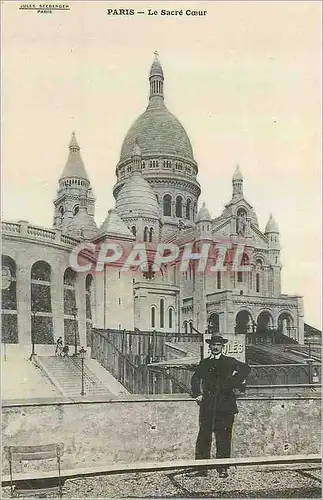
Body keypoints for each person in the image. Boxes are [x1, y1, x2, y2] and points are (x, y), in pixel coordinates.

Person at [191, 334, 251, 478]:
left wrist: (233, 383)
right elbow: (195, 378)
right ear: (210, 347)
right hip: (208, 405)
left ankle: (223, 468)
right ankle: (201, 469)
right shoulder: (204, 363)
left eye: (218, 345)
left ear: (222, 347)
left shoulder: (229, 361)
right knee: (204, 435)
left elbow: (246, 369)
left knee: (223, 436)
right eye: (213, 345)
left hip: (225, 405)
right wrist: (197, 394)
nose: (215, 347)